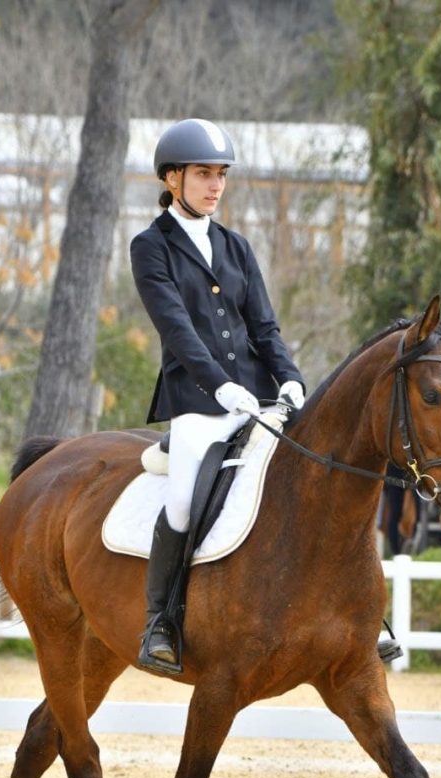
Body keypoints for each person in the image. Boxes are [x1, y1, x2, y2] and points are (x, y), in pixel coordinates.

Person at [130, 118, 306, 670]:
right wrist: (221, 386)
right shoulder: (150, 247)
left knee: (309, 482)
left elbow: (264, 327)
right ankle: (160, 621)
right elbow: (176, 329)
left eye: (221, 174)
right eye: (204, 173)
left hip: (259, 397)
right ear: (173, 177)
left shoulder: (236, 246)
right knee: (184, 498)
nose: (215, 185)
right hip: (197, 402)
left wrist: (290, 378)